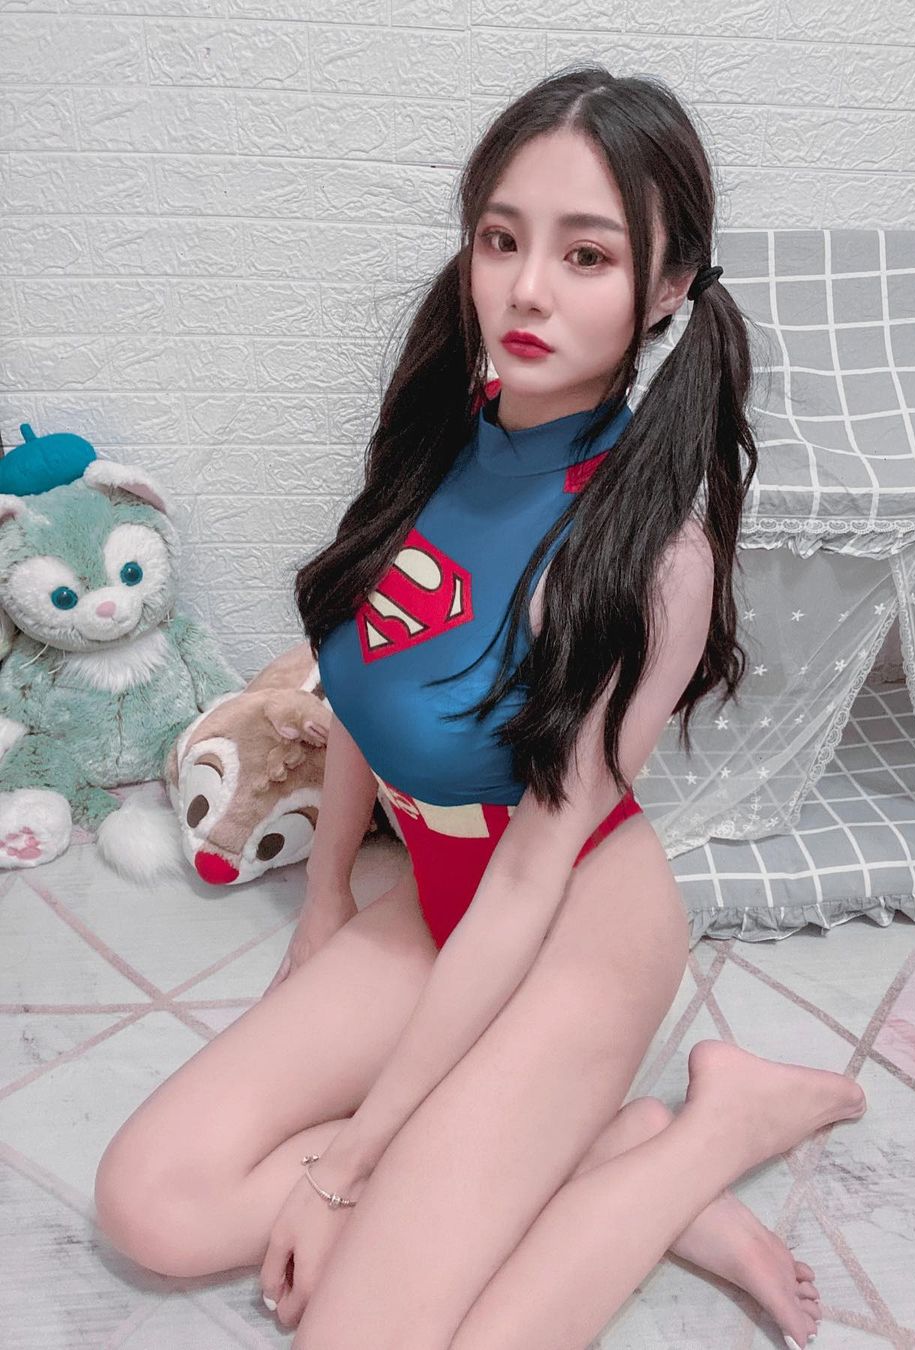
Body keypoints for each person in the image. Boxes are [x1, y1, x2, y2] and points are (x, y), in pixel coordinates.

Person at [93, 65, 866, 1350]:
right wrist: (328, 902)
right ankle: (589, 1151)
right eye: (502, 240)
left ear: (668, 286)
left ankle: (706, 1135)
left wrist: (349, 1169)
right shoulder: (440, 433)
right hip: (438, 906)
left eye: (587, 254)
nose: (527, 289)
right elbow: (362, 685)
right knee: (150, 1207)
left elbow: (529, 880)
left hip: (569, 937)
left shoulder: (651, 554)